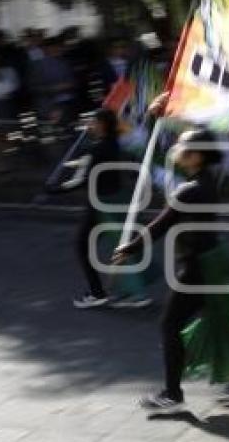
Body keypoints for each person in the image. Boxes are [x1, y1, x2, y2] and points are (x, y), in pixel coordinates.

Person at [114, 93, 229, 411]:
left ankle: (173, 394)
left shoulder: (189, 190)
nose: (177, 150)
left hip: (198, 268)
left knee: (170, 325)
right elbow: (187, 140)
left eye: (183, 149)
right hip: (216, 260)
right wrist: (161, 116)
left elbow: (158, 227)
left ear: (196, 157)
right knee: (217, 319)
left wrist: (129, 248)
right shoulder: (212, 176)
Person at [48, 108, 152, 309]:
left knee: (85, 245)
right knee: (121, 244)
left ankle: (101, 293)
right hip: (114, 199)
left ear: (102, 125)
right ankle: (129, 292)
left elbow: (83, 179)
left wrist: (55, 190)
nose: (89, 125)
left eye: (92, 122)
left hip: (101, 204)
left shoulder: (98, 149)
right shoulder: (113, 144)